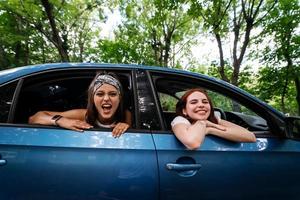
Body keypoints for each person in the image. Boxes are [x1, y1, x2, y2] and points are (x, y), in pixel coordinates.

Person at [29, 72, 131, 138]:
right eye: (100, 94)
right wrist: (60, 120)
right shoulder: (83, 115)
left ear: (120, 98)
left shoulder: (125, 115)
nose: (106, 99)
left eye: (113, 94)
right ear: (92, 98)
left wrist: (126, 126)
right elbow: (34, 118)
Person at [171, 88, 256, 150]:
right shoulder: (179, 120)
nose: (201, 105)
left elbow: (251, 137)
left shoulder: (213, 119)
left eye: (205, 102)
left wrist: (211, 130)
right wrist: (202, 122)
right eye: (194, 102)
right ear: (184, 110)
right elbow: (193, 143)